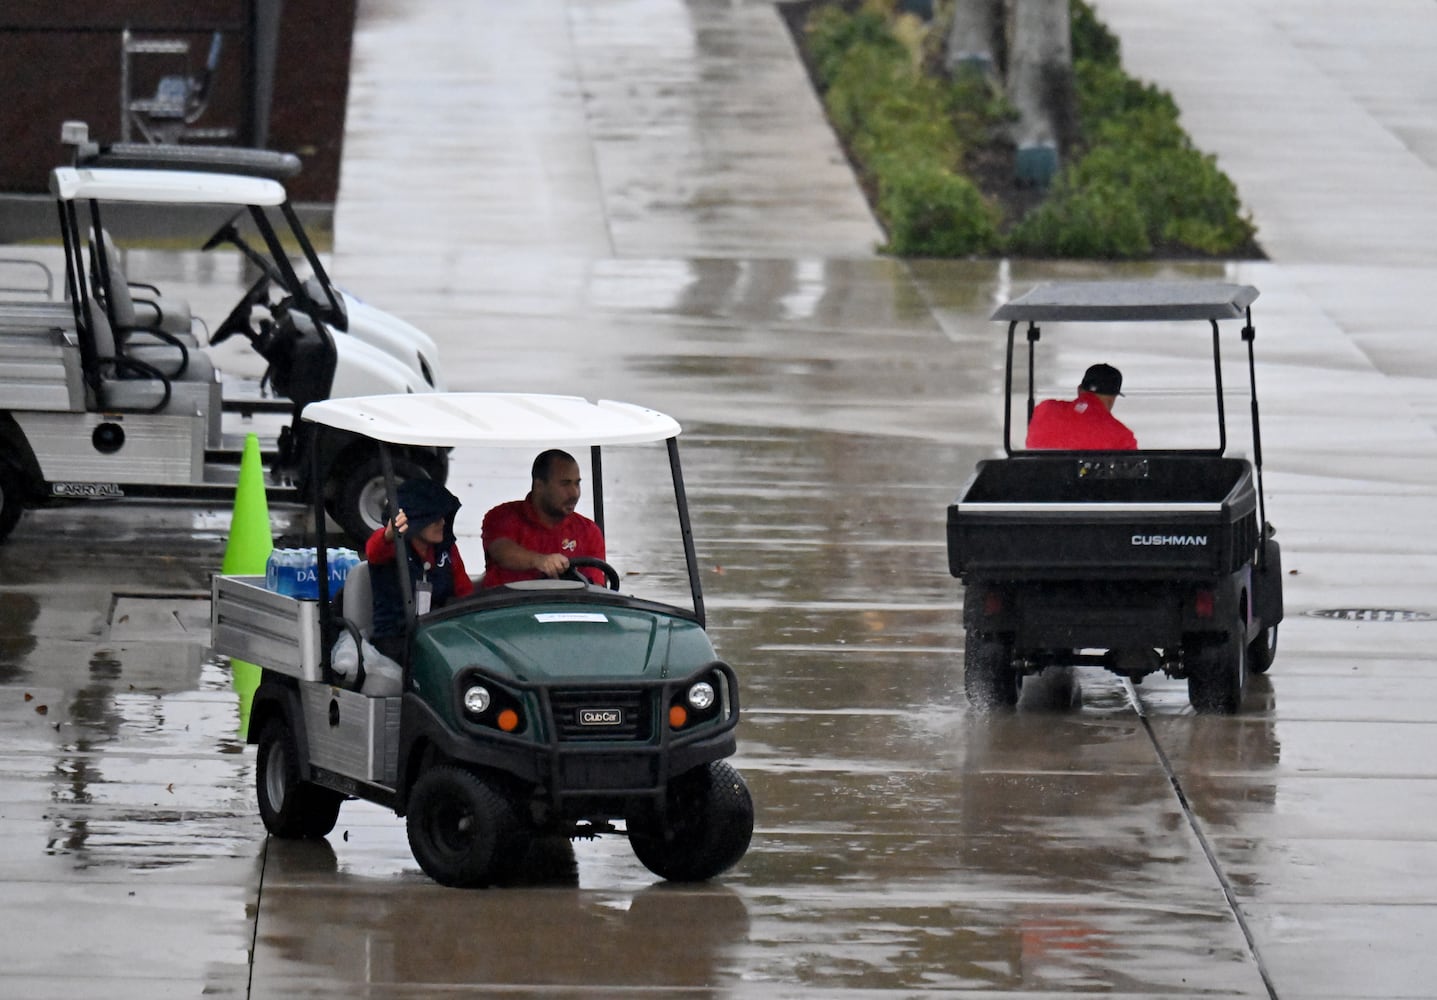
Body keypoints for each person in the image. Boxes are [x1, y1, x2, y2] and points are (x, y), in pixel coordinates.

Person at [364, 477, 473, 660]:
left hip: (440, 635)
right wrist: (389, 534)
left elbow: (465, 593)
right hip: (396, 642)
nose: (442, 523)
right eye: (434, 519)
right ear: (416, 520)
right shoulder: (391, 547)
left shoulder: (447, 549)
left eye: (443, 517)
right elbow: (374, 550)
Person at [481, 449, 606, 587]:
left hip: (567, 606)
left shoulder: (588, 531)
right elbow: (501, 552)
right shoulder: (502, 516)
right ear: (539, 485)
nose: (574, 493)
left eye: (577, 483)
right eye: (565, 484)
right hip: (507, 606)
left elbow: (596, 588)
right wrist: (539, 561)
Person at [1025, 363, 1138, 450]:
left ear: (1079, 390)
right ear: (1112, 398)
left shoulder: (1046, 409)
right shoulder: (1122, 437)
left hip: (1038, 478)